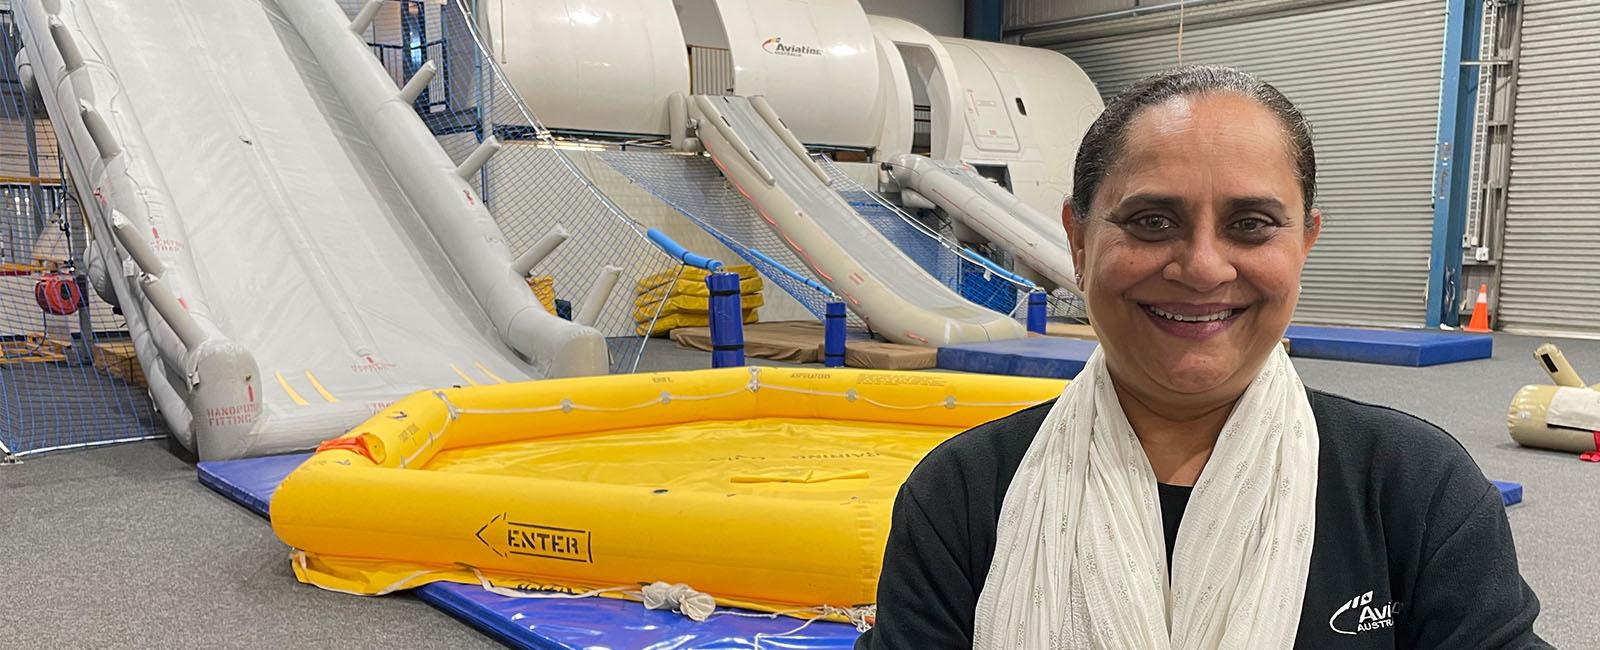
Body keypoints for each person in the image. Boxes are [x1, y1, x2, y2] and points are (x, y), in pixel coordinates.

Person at [856, 66, 1548, 649]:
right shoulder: (966, 495)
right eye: (1152, 221)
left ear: (1304, 242)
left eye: (1251, 226)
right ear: (1076, 238)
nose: (1204, 267)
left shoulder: (1410, 488)